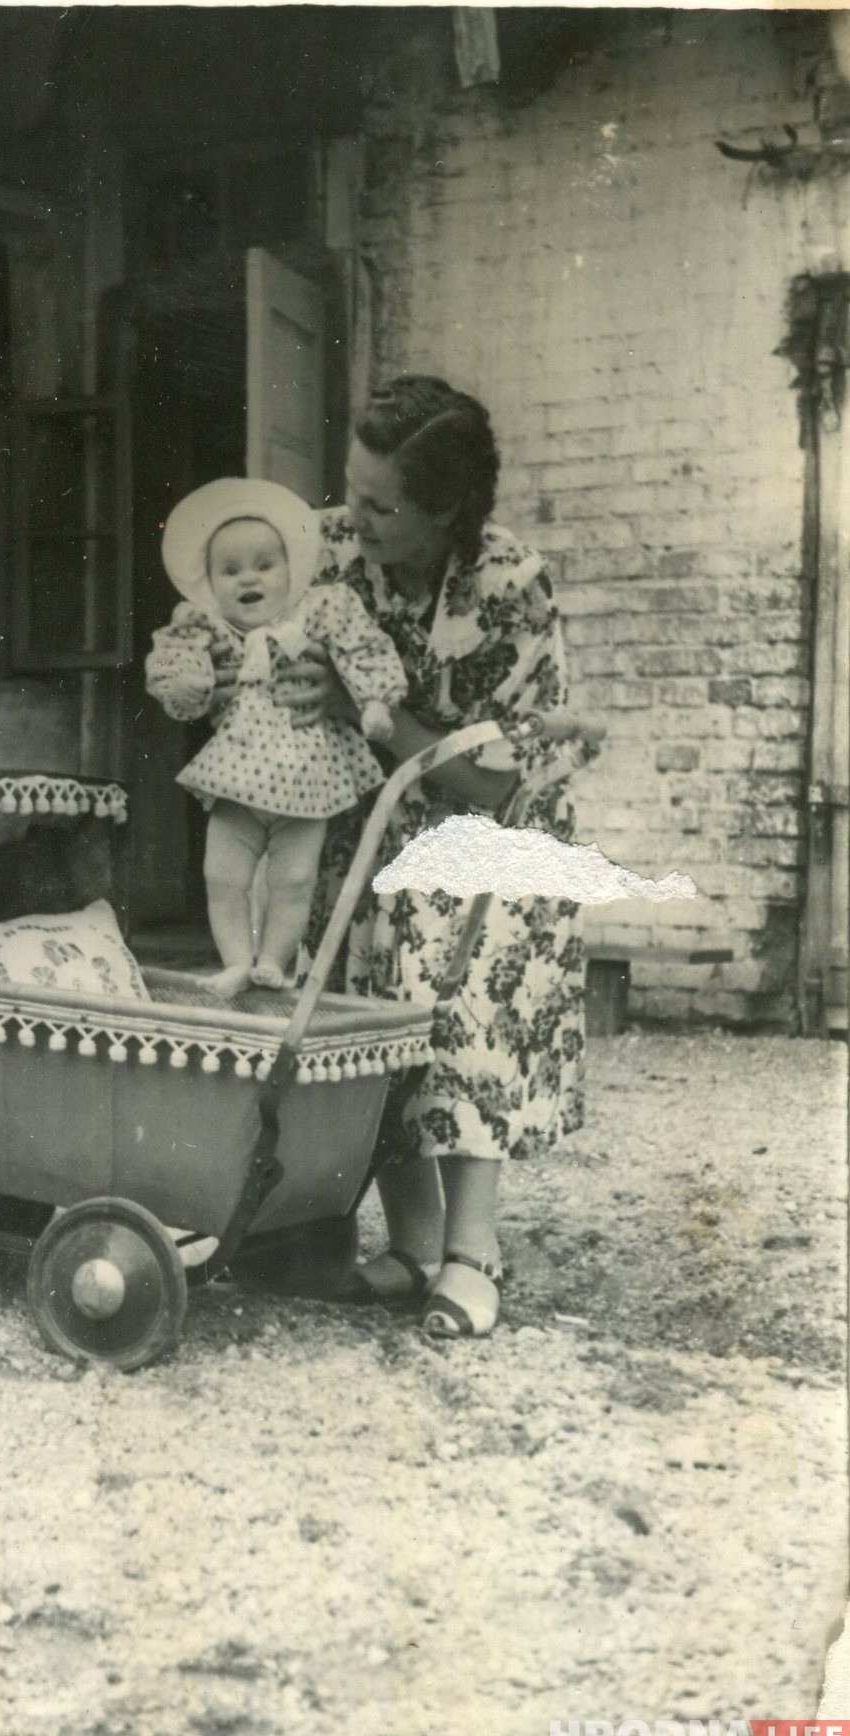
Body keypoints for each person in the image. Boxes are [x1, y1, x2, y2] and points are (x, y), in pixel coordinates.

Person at [297, 376, 587, 1340]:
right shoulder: (328, 550)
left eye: (383, 505)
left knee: (451, 964)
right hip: (369, 819)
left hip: (484, 839)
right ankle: (413, 1241)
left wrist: (363, 714)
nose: (357, 519)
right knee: (348, 984)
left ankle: (472, 1251)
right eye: (352, 491)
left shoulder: (511, 586)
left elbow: (497, 784)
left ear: (450, 505)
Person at [145, 477, 408, 1000]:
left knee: (294, 881)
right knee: (221, 873)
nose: (249, 579)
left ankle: (273, 960)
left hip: (310, 781)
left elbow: (363, 646)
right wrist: (190, 682)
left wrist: (375, 701)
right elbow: (174, 667)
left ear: (292, 572)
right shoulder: (210, 627)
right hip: (238, 780)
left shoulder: (319, 610)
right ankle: (236, 960)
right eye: (231, 570)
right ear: (209, 584)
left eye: (265, 565)